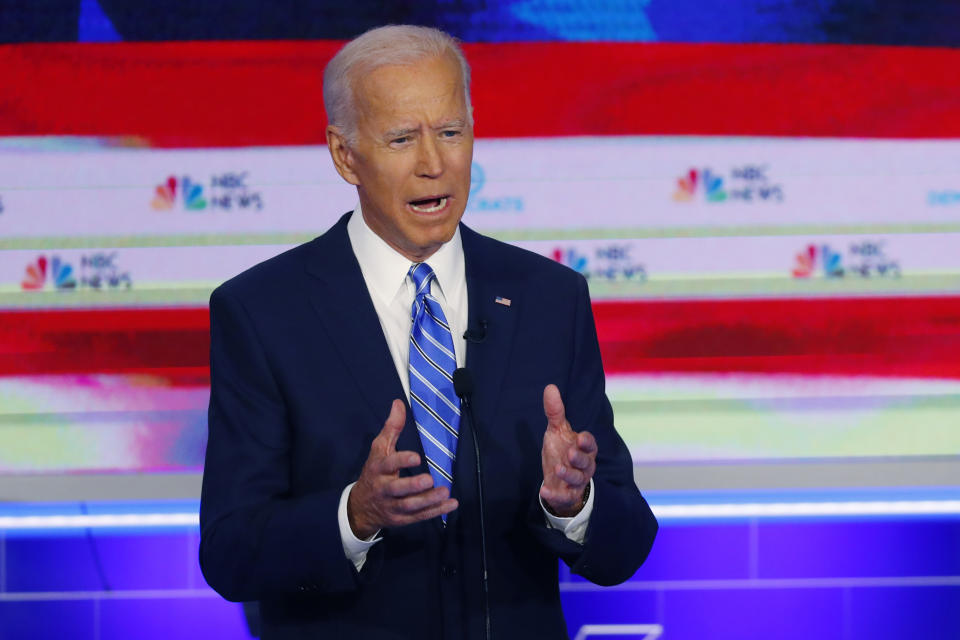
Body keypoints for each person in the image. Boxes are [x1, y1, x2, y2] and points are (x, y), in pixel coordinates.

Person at [199, 24, 657, 640]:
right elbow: (231, 553)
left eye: (450, 132)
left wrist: (574, 504)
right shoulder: (262, 312)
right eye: (401, 138)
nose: (433, 164)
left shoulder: (550, 299)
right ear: (344, 154)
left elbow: (626, 545)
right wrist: (355, 516)